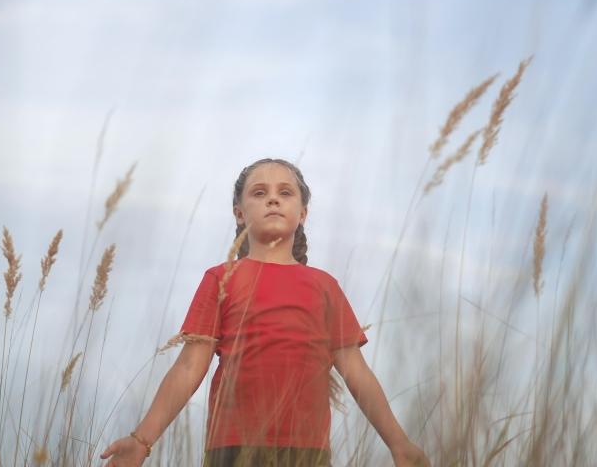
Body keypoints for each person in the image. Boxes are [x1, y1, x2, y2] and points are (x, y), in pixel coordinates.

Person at [100, 159, 431, 467]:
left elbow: (357, 372)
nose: (273, 199)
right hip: (231, 448)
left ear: (302, 214)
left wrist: (398, 443)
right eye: (259, 193)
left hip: (307, 451)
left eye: (285, 193)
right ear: (239, 214)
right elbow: (188, 367)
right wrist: (141, 441)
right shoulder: (221, 278)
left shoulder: (324, 286)